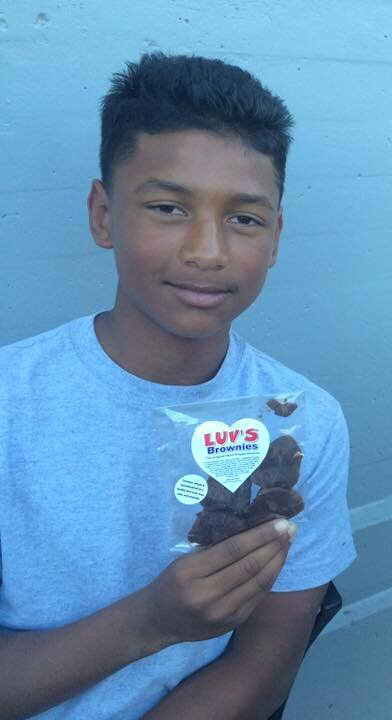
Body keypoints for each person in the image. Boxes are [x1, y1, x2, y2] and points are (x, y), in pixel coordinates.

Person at [0, 53, 355, 719]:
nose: (208, 251)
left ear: (275, 236)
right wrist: (149, 623)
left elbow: (263, 668)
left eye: (244, 219)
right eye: (168, 207)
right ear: (104, 215)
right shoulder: (11, 406)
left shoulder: (305, 424)